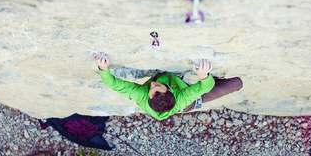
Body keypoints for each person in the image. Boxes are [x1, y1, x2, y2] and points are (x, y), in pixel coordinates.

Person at [94, 52, 243, 120]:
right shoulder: (182, 98)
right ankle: (216, 79)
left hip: (182, 89)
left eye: (155, 85)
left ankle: (212, 78)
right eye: (155, 86)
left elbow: (111, 83)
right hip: (191, 102)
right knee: (236, 83)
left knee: (208, 83)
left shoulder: (139, 94)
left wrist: (103, 68)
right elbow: (205, 87)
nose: (153, 82)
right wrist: (203, 75)